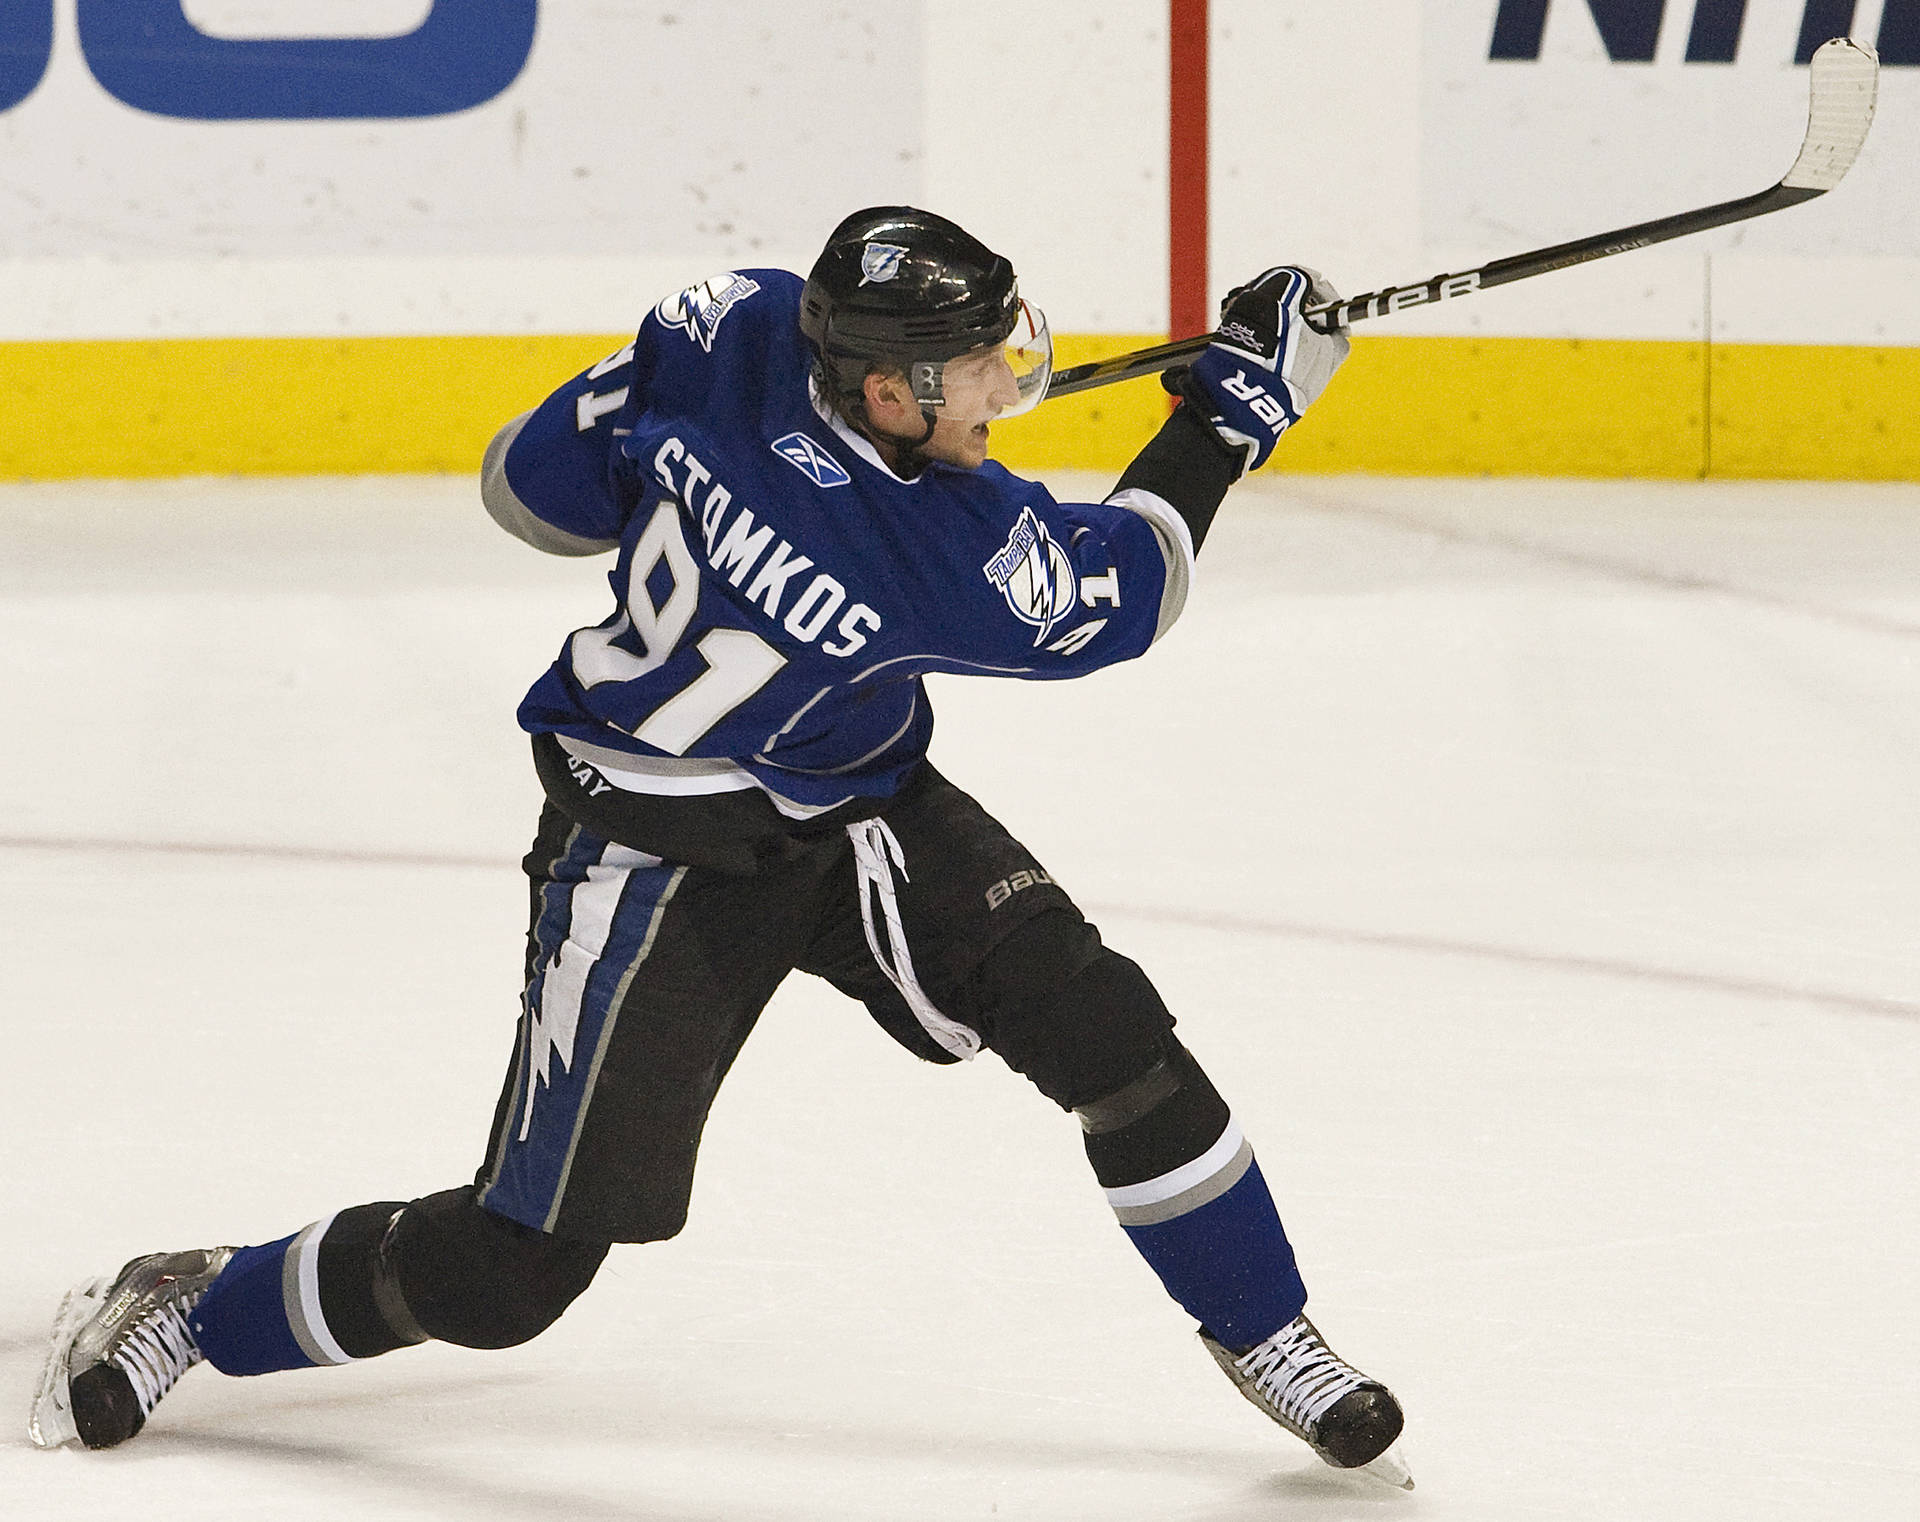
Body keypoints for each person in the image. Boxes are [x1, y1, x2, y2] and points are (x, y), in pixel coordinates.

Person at [28, 207, 1409, 1486]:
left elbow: (530, 491)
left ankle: (1265, 1328)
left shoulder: (729, 324)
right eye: (976, 369)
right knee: (516, 1272)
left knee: (1102, 1025)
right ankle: (197, 1301)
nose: (1006, 387)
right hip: (653, 852)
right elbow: (1139, 576)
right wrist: (1242, 403)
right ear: (883, 389)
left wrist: (701, 481)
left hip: (852, 801)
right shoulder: (942, 553)